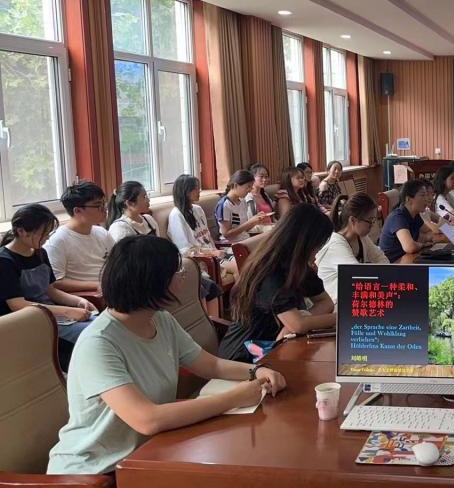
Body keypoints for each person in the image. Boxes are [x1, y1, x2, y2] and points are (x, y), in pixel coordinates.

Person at [47, 235, 286, 475]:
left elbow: (210, 365)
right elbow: (147, 419)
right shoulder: (99, 343)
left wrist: (258, 370)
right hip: (96, 471)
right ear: (153, 281)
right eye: (176, 271)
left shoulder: (161, 320)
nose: (182, 276)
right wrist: (234, 398)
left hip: (151, 452)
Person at [219, 203, 336, 362]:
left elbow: (325, 302)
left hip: (276, 347)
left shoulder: (297, 265)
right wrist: (342, 319)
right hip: (245, 356)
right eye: (318, 246)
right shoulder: (271, 272)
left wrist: (300, 321)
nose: (317, 252)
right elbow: (298, 325)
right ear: (305, 243)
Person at [0, 204, 97, 368]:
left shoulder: (40, 252)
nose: (46, 238)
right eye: (43, 234)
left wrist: (78, 301)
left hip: (53, 315)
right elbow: (18, 305)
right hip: (27, 323)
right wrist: (67, 311)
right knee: (92, 335)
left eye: (48, 233)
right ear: (21, 231)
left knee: (102, 325)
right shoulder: (5, 261)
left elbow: (50, 290)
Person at [167, 175, 237, 309]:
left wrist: (216, 251)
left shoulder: (197, 209)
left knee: (245, 262)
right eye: (196, 189)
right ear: (186, 192)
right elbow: (185, 250)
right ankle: (237, 307)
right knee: (240, 266)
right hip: (203, 259)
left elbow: (207, 237)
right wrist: (213, 253)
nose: (199, 191)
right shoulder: (176, 215)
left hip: (215, 254)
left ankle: (236, 306)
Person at [43, 181, 115, 293]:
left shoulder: (102, 233)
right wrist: (99, 285)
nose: (104, 209)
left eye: (104, 203)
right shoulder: (58, 241)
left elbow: (117, 262)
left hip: (110, 289)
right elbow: (57, 282)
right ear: (77, 211)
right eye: (98, 205)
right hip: (88, 295)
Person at [316, 193, 389, 303]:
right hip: (334, 304)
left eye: (374, 220)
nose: (372, 225)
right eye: (370, 221)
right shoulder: (336, 245)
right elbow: (358, 276)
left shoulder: (361, 237)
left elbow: (383, 260)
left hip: (351, 299)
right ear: (353, 220)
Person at [378, 179, 436, 263]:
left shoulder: (415, 215)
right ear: (408, 199)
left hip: (407, 259)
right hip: (392, 264)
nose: (427, 199)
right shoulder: (398, 217)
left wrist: (424, 239)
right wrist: (422, 244)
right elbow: (409, 247)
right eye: (422, 195)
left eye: (426, 195)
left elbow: (429, 232)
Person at [215, 169, 272, 242]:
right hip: (231, 244)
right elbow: (226, 234)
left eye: (251, 187)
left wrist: (255, 221)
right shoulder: (224, 205)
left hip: (245, 240)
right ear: (235, 185)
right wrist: (250, 222)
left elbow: (245, 230)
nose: (250, 190)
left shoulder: (242, 201)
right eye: (248, 187)